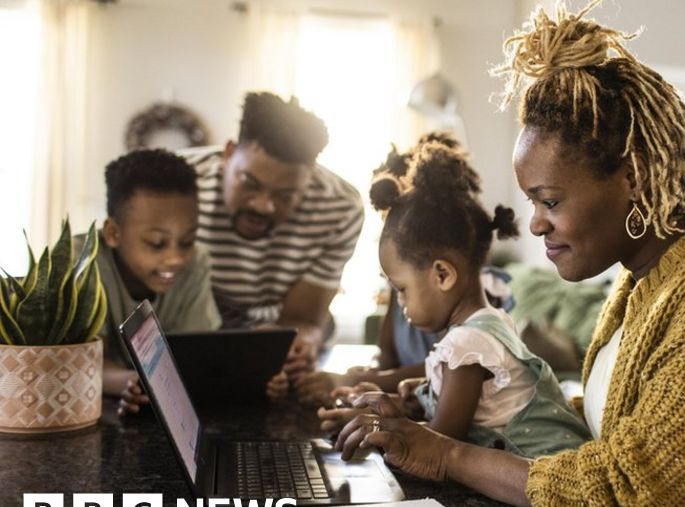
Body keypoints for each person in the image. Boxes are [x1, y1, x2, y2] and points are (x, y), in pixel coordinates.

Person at [333, 2, 685, 507]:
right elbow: (619, 427)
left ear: (634, 177)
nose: (534, 224)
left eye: (550, 201)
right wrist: (452, 404)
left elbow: (669, 503)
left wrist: (449, 454)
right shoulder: (642, 278)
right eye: (532, 203)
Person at [321, 139, 590, 458]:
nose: (400, 303)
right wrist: (406, 398)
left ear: (442, 275)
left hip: (544, 476)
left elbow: (439, 442)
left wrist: (374, 424)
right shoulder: (486, 325)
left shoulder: (468, 343)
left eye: (401, 289)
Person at [294, 133, 515, 406]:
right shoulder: (406, 283)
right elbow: (388, 357)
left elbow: (451, 372)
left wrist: (357, 383)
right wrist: (368, 377)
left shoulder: (474, 300)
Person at [82, 149, 288, 416]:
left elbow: (199, 359)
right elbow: (80, 362)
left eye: (187, 241)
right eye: (157, 243)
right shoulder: (83, 264)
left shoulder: (197, 262)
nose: (176, 259)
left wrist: (257, 376)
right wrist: (132, 381)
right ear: (113, 233)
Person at [181, 92, 364, 385]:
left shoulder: (340, 207)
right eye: (249, 184)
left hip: (273, 341)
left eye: (285, 195)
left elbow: (304, 318)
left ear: (309, 177)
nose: (263, 206)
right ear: (228, 154)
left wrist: (295, 344)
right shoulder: (178, 184)